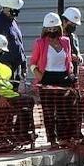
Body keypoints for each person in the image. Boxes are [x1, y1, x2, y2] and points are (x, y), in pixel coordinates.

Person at [29, 13, 77, 146]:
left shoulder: (66, 41)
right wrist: (39, 76)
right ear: (45, 29)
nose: (52, 32)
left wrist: (71, 71)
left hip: (63, 78)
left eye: (54, 29)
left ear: (59, 28)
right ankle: (52, 139)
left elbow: (67, 59)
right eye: (49, 29)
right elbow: (32, 62)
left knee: (64, 110)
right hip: (47, 78)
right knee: (49, 111)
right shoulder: (40, 43)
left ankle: (64, 137)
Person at [61, 7, 84, 143]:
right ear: (64, 21)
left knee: (76, 104)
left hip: (74, 76)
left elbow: (76, 53)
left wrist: (78, 57)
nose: (73, 27)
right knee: (65, 107)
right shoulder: (58, 36)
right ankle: (65, 134)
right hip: (63, 77)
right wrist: (69, 57)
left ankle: (76, 132)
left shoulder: (73, 37)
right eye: (71, 24)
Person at [0, 0, 27, 80]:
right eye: (15, 10)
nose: (17, 12)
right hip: (4, 69)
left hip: (16, 69)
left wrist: (23, 63)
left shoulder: (14, 22)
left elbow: (19, 43)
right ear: (8, 8)